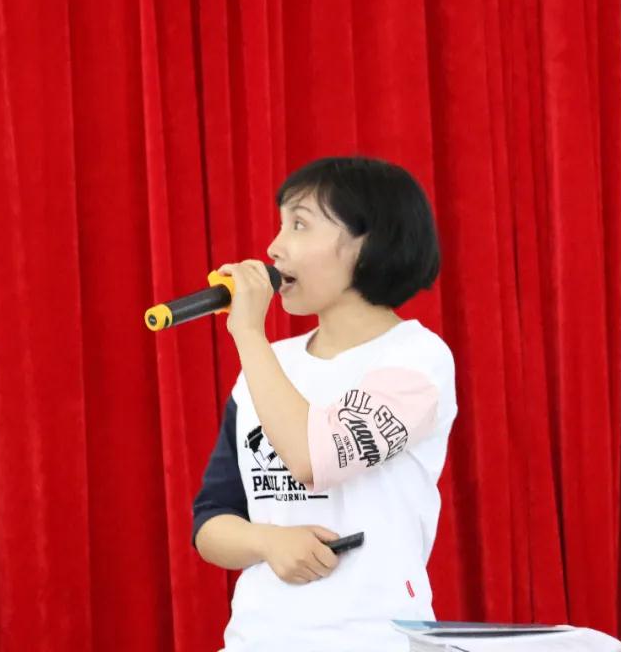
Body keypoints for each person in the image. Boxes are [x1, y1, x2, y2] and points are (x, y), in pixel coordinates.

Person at [191, 156, 457, 651]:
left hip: (373, 639)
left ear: (368, 242)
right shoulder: (270, 364)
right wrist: (267, 541)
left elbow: (315, 457)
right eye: (279, 225)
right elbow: (212, 519)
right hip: (256, 640)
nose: (274, 248)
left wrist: (248, 333)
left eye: (299, 225)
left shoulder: (417, 358)